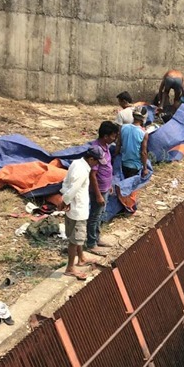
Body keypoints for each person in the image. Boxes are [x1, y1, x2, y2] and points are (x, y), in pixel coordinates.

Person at [60, 146, 103, 280]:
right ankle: (70, 268)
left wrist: (65, 198)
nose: (97, 165)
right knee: (75, 239)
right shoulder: (83, 172)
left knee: (75, 237)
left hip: (73, 207)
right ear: (91, 159)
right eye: (96, 162)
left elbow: (66, 182)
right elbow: (73, 189)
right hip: (78, 209)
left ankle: (82, 258)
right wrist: (65, 201)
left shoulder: (76, 163)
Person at [86, 121, 119, 254]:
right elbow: (92, 175)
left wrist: (109, 184)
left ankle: (97, 237)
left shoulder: (105, 147)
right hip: (98, 190)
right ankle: (91, 243)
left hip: (105, 187)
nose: (114, 138)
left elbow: (106, 167)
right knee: (94, 216)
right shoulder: (96, 150)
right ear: (105, 136)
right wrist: (98, 194)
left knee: (99, 214)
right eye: (113, 136)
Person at [117, 108, 148, 178]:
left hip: (123, 163)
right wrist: (145, 168)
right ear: (143, 119)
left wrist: (115, 157)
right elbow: (143, 152)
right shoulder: (144, 133)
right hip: (135, 166)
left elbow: (118, 144)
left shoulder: (122, 128)